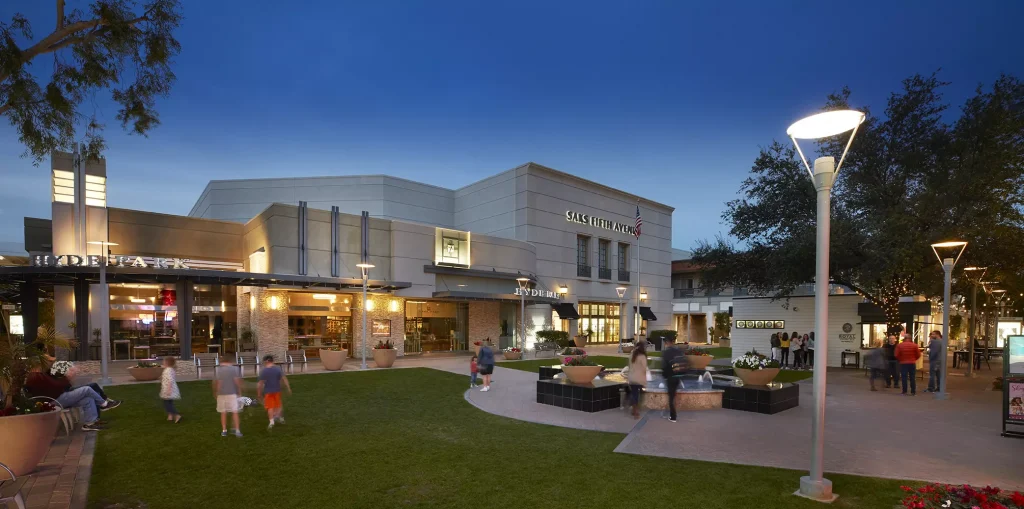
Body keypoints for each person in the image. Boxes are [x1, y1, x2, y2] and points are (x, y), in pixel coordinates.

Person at [25, 366, 120, 431]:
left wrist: (66, 378)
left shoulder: (41, 375)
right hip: (55, 401)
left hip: (59, 397)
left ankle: (90, 424)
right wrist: (68, 377)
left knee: (87, 399)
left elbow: (57, 385)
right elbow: (57, 386)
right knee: (87, 389)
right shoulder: (36, 377)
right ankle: (104, 404)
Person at [258, 355, 291, 430]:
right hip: (277, 390)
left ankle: (271, 421)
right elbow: (284, 379)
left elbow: (260, 383)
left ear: (266, 361)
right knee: (278, 405)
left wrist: (259, 393)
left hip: (268, 392)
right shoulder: (278, 369)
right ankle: (280, 417)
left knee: (270, 407)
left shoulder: (264, 371)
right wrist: (288, 387)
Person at [214, 356, 243, 437]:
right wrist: (239, 391)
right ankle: (237, 430)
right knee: (235, 412)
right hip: (233, 394)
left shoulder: (219, 370)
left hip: (222, 394)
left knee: (223, 412)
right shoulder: (235, 369)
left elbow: (219, 382)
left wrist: (217, 392)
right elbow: (237, 381)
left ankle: (224, 430)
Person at [661, 335, 686, 423]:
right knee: (673, 395)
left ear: (667, 343)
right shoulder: (678, 351)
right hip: (678, 376)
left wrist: (664, 375)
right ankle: (672, 413)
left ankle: (673, 417)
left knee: (671, 397)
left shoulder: (666, 352)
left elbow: (664, 366)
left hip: (670, 378)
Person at [627, 341, 648, 419]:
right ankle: (636, 411)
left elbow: (629, 366)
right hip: (639, 378)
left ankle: (633, 408)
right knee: (637, 394)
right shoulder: (642, 356)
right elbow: (644, 369)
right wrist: (645, 380)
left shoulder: (632, 355)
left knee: (634, 393)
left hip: (632, 377)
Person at [160, 356, 182, 423]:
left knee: (167, 404)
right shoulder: (170, 369)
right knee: (169, 402)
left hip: (169, 389)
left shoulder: (168, 370)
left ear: (166, 363)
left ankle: (176, 415)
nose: (162, 363)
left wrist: (168, 390)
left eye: (164, 362)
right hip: (170, 389)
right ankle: (170, 416)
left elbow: (170, 380)